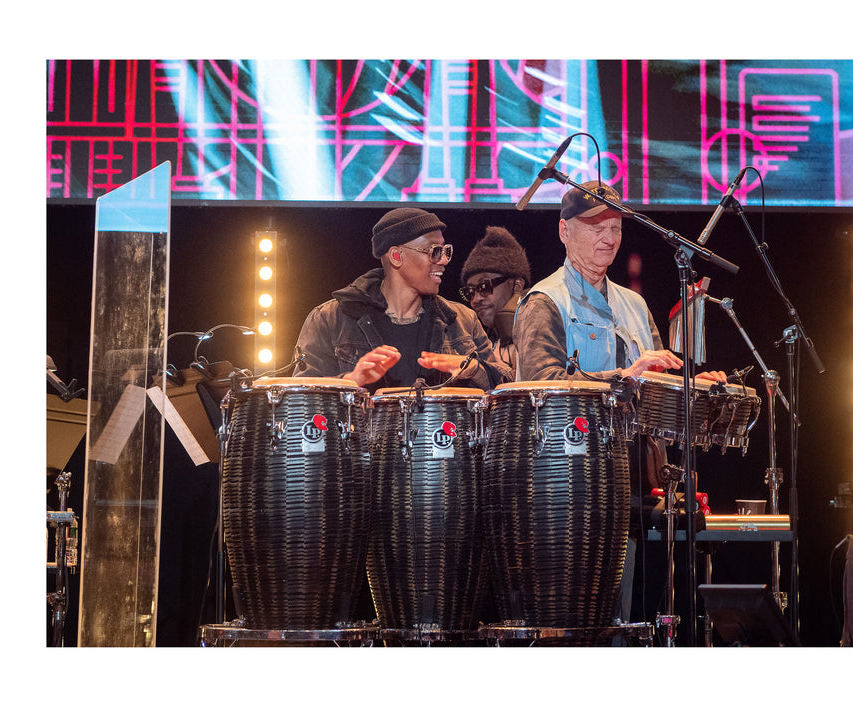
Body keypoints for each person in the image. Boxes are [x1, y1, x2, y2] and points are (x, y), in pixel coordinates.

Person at [512, 180, 726, 632]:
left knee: (624, 622)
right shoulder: (544, 301)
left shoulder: (634, 304)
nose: (609, 237)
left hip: (631, 484)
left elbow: (655, 388)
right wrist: (625, 376)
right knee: (573, 624)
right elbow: (539, 389)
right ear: (564, 231)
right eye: (596, 227)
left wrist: (693, 387)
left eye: (615, 227)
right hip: (566, 490)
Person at [293, 207, 511, 392]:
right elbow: (298, 398)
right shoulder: (330, 319)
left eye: (446, 251)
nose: (444, 260)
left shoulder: (462, 320)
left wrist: (476, 370)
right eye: (434, 251)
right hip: (359, 442)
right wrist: (350, 382)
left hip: (441, 442)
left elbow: (507, 389)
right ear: (396, 256)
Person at [458, 226, 532, 370]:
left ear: (516, 285)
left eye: (484, 286)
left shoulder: (541, 332)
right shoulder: (485, 344)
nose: (475, 299)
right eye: (470, 292)